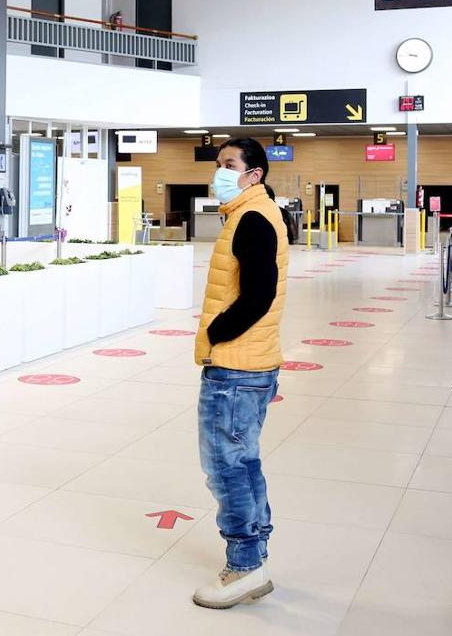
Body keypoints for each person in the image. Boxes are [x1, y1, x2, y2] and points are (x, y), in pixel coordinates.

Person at [192, 137, 289, 610]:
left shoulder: (252, 218)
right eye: (218, 163)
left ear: (255, 175)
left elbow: (258, 296)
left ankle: (245, 565)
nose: (220, 171)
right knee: (243, 460)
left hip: (236, 366)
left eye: (230, 164)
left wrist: (215, 332)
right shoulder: (253, 213)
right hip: (252, 362)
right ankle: (256, 551)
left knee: (224, 467)